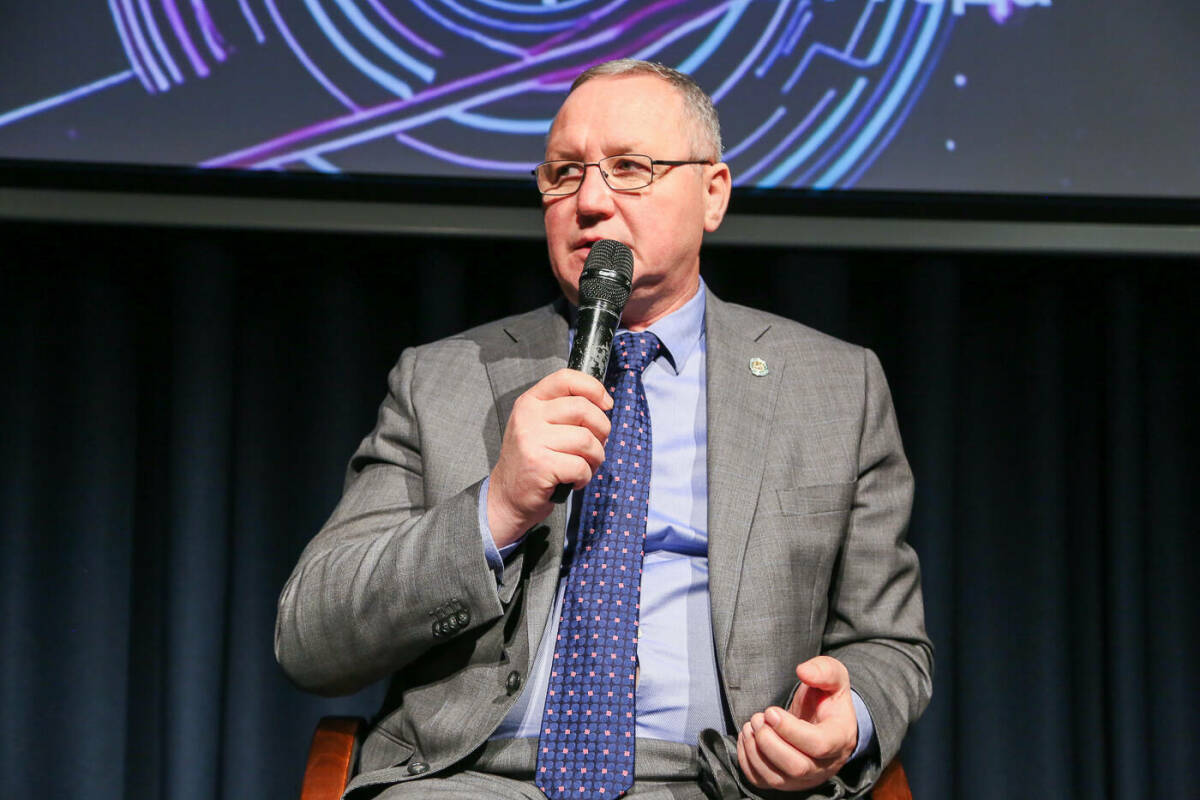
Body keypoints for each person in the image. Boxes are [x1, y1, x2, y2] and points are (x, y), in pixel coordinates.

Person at [276, 60, 931, 799]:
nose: (589, 201)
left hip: (719, 782)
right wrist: (495, 510)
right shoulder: (442, 379)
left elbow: (888, 643)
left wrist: (847, 722)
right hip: (473, 777)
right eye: (563, 174)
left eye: (630, 168)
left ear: (713, 193)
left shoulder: (834, 386)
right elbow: (311, 638)